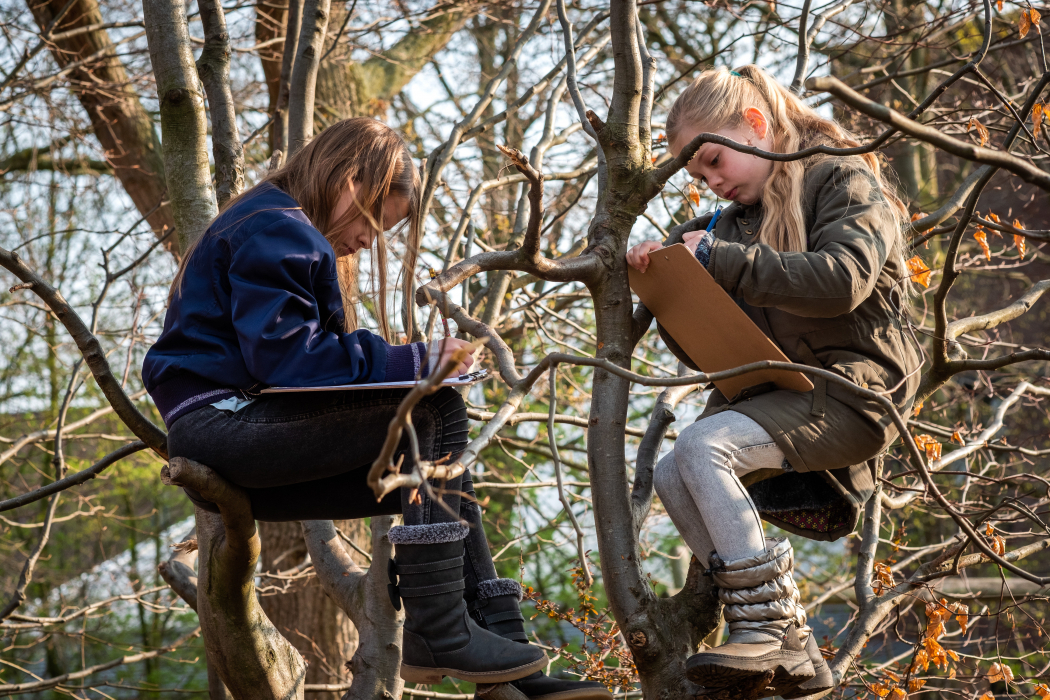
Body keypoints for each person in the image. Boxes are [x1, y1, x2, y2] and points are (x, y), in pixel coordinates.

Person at [143, 117, 611, 700]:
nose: (370, 242)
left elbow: (291, 366)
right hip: (225, 426)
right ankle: (439, 633)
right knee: (433, 412)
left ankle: (508, 666)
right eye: (372, 222)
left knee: (438, 478)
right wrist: (413, 361)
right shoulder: (277, 227)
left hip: (238, 426)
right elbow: (291, 361)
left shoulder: (277, 226)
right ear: (349, 181)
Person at [627, 66, 920, 699]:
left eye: (714, 159)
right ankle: (790, 643)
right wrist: (672, 283)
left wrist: (719, 261)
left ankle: (767, 627)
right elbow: (709, 347)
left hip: (853, 391)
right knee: (677, 468)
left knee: (705, 447)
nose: (712, 181)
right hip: (782, 395)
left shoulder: (841, 179)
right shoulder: (727, 227)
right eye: (700, 176)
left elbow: (842, 279)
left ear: (755, 126)